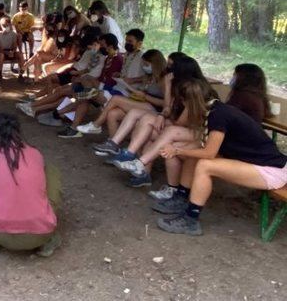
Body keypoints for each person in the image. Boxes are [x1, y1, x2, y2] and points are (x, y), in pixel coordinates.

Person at [118, 81, 287, 236]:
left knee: (205, 165)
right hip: (252, 162)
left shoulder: (218, 115)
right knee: (194, 154)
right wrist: (180, 150)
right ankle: (182, 197)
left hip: (272, 170)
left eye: (183, 102)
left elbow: (209, 153)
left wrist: (176, 150)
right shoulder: (214, 109)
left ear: (189, 102)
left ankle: (191, 219)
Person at [0, 113, 61, 257]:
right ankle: (47, 239)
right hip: (41, 234)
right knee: (50, 170)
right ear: (18, 131)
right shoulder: (34, 153)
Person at [77, 49, 167, 137]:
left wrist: (145, 96)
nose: (144, 67)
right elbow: (133, 81)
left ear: (156, 64)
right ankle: (113, 145)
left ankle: (96, 124)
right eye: (143, 64)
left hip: (155, 109)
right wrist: (125, 80)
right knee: (112, 113)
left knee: (115, 98)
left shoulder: (164, 80)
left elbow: (166, 104)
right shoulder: (149, 76)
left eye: (146, 64)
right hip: (141, 102)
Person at [0, 17, 25, 82]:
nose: (6, 27)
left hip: (10, 51)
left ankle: (21, 75)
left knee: (20, 55)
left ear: (10, 25)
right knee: (1, 55)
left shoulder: (13, 34)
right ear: (0, 26)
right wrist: (7, 52)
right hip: (1, 52)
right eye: (4, 26)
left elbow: (14, 45)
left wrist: (12, 51)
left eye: (7, 25)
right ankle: (0, 75)